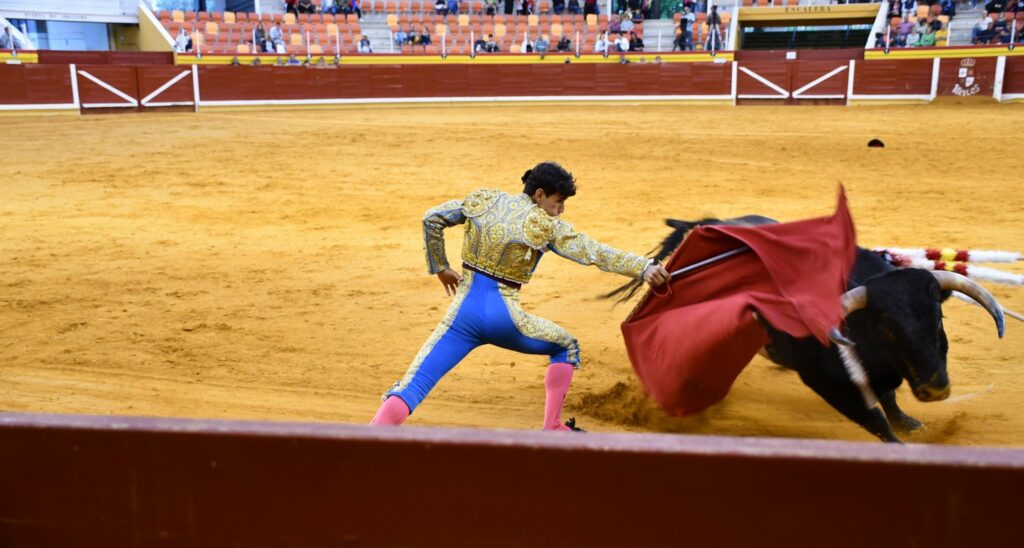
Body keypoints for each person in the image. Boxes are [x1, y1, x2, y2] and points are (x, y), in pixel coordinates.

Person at [369, 163, 671, 431]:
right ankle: (552, 425)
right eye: (559, 201)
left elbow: (431, 218)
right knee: (565, 346)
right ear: (540, 195)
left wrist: (441, 268)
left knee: (413, 386)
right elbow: (594, 252)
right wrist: (643, 268)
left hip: (462, 315)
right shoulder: (543, 225)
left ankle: (365, 444)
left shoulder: (485, 201)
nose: (561, 209)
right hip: (505, 318)